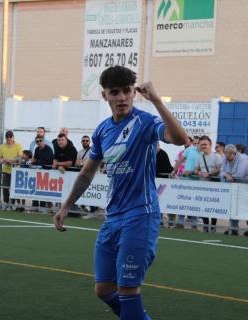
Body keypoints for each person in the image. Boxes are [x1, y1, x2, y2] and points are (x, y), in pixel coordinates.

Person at [54, 66, 188, 320]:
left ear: (134, 93)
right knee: (104, 289)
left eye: (127, 91)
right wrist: (66, 205)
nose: (122, 98)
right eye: (114, 92)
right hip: (113, 218)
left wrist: (157, 100)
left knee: (127, 290)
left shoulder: (145, 122)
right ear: (105, 95)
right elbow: (87, 172)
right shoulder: (103, 130)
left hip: (140, 215)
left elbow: (180, 138)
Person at [221, 144, 248, 235]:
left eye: (226, 154)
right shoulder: (225, 157)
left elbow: (240, 175)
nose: (225, 156)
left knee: (247, 208)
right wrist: (226, 175)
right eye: (224, 153)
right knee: (233, 206)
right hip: (234, 185)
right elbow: (222, 172)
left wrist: (229, 175)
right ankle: (234, 228)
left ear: (233, 153)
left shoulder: (243, 159)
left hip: (247, 186)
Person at [171, 136, 201, 230]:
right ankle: (180, 222)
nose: (195, 145)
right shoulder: (189, 150)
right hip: (185, 179)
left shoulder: (203, 152)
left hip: (198, 181)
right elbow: (181, 159)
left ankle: (194, 224)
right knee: (182, 200)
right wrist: (174, 170)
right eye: (194, 143)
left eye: (197, 143)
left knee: (194, 203)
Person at [194, 135, 222, 232]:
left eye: (205, 144)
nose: (203, 146)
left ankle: (213, 226)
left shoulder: (216, 156)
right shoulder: (199, 157)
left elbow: (219, 169)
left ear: (210, 145)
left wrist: (208, 173)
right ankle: (206, 225)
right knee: (203, 205)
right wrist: (199, 173)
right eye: (201, 145)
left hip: (214, 185)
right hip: (203, 186)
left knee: (214, 206)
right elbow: (196, 169)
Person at [0, 130, 22, 209]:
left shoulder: (18, 145)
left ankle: (12, 203)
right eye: (7, 137)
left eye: (10, 136)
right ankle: (6, 202)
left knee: (14, 189)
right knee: (5, 188)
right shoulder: (2, 146)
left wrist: (12, 161)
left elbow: (20, 157)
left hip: (15, 170)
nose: (8, 138)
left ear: (13, 137)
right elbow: (0, 159)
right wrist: (4, 160)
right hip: (6, 171)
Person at [155, 142, 175, 228]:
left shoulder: (162, 154)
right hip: (156, 182)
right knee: (158, 202)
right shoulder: (150, 154)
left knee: (166, 201)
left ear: (158, 145)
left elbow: (165, 168)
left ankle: (171, 221)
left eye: (156, 146)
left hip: (164, 183)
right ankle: (160, 221)